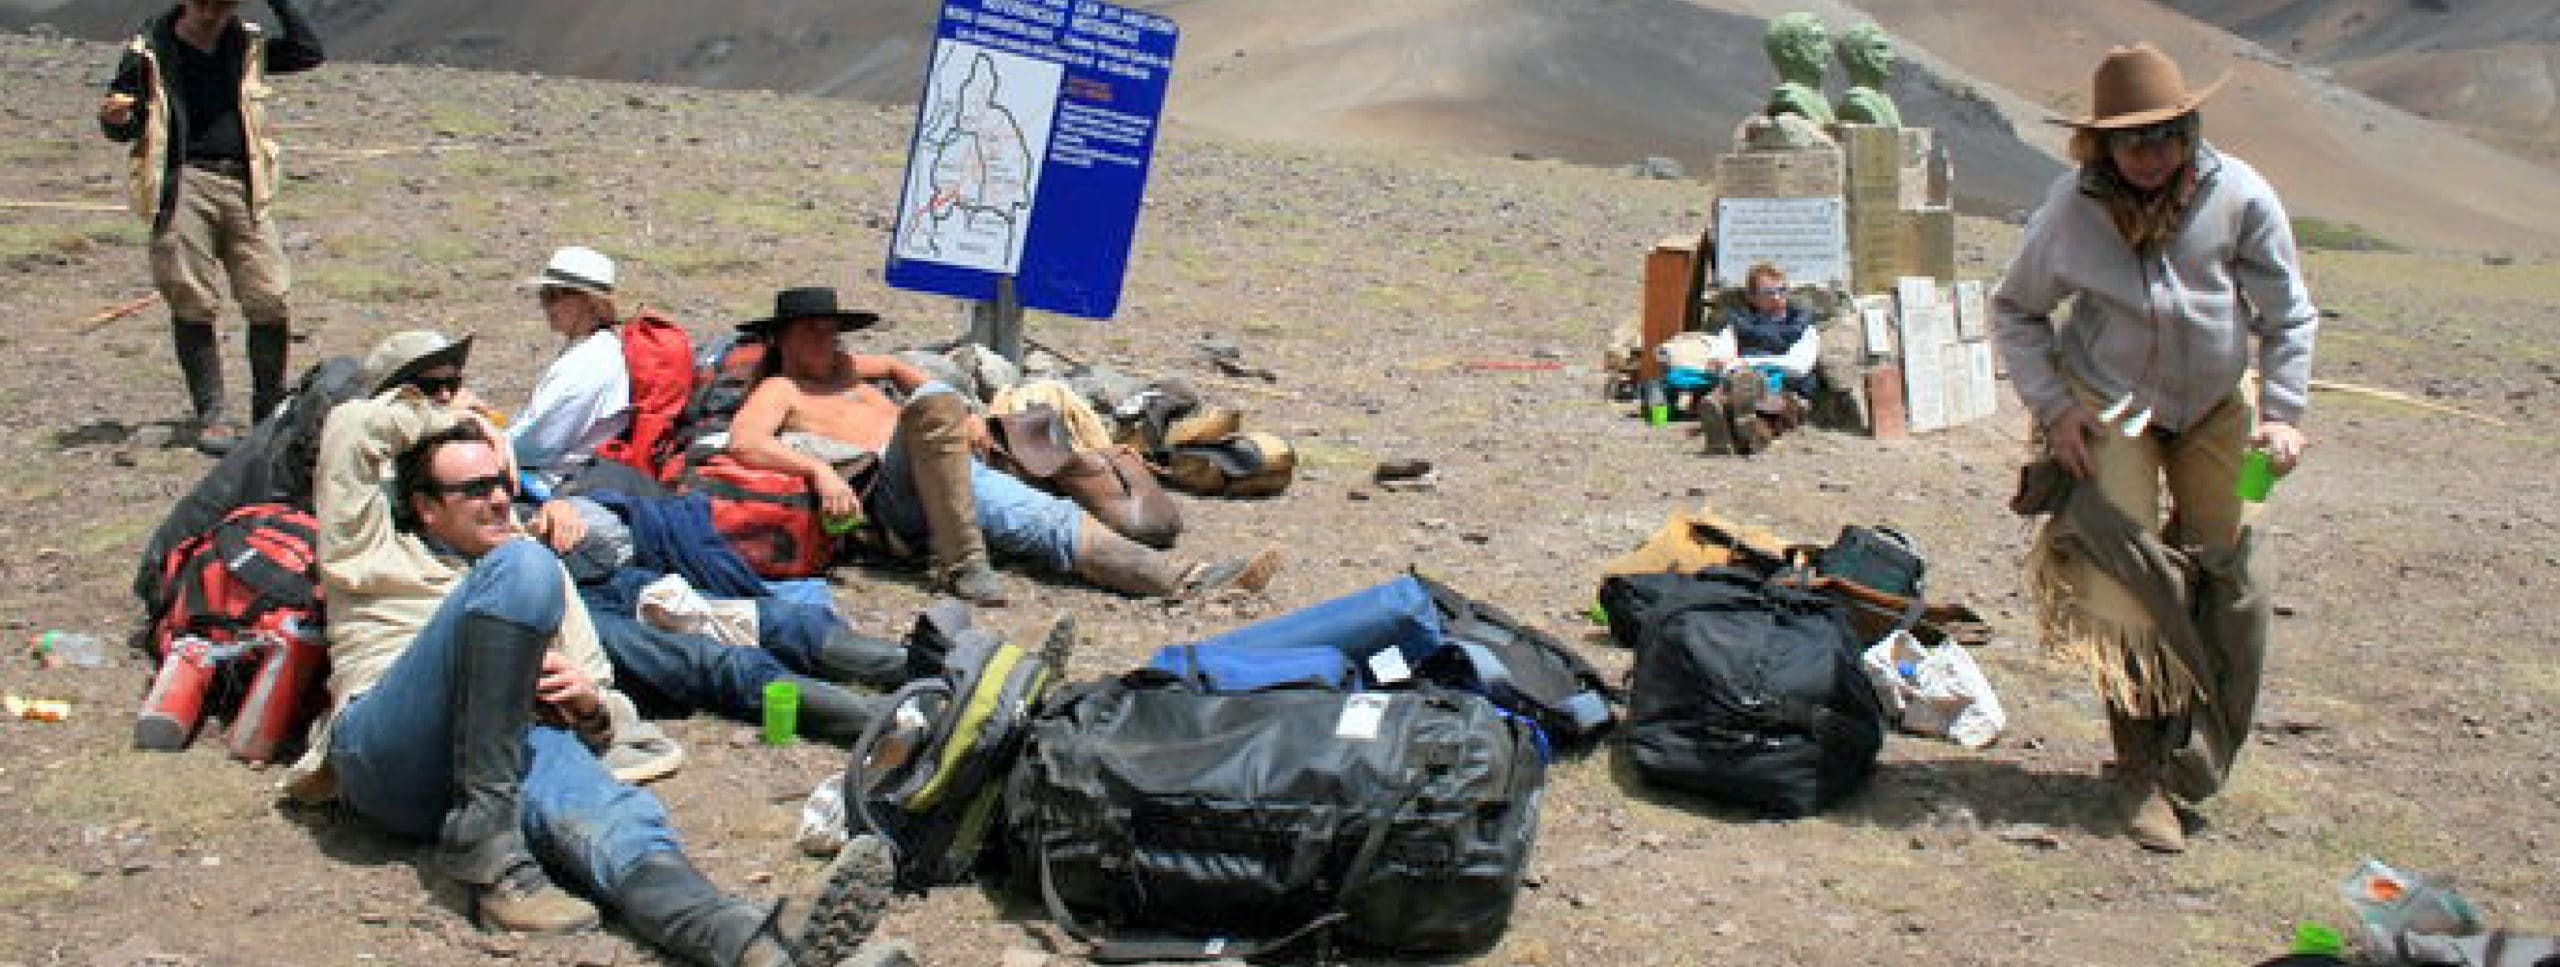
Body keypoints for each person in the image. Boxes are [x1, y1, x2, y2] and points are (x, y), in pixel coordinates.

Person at [290, 329, 892, 964]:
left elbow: (607, 698)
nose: (498, 497)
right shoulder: (373, 546)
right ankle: (488, 853)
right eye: (474, 490)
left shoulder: (536, 566)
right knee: (523, 568)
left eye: (501, 482)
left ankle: (746, 943)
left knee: (617, 819)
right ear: (425, 506)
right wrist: (461, 417)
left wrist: (586, 705)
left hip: (505, 749)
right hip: (394, 753)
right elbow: (353, 425)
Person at [1992, 42, 2316, 854]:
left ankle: (2197, 754)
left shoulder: (2239, 194)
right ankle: (2138, 768)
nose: (2151, 154)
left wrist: (2282, 412)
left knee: (2229, 568)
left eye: (2166, 134)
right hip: (2109, 407)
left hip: (2217, 407)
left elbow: (2287, 313)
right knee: (2123, 576)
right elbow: (2017, 311)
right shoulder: (2070, 209)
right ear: (2100, 144)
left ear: (2190, 127)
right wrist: (2056, 408)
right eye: (2131, 140)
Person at [725, 287, 1281, 605]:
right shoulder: (781, 388)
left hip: (949, 475)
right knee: (937, 414)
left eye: (831, 329)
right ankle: (962, 563)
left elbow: (896, 363)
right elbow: (744, 441)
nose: (826, 340)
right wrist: (819, 473)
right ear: (780, 340)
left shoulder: (848, 368)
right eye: (810, 332)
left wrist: (952, 403)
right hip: (892, 502)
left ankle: (1185, 579)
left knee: (1047, 518)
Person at [97, 0, 324, 456]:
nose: (213, 13)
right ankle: (212, 414)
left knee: (269, 293)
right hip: (184, 181)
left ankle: (268, 406)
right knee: (191, 295)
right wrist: (115, 119)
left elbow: (307, 51)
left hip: (244, 180)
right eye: (206, 5)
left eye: (222, 5)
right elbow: (126, 123)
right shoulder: (150, 51)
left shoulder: (247, 45)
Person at [510, 246, 632, 489]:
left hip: (552, 487)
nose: (545, 305)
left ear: (590, 302)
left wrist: (480, 432)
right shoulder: (587, 351)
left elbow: (535, 447)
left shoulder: (592, 362)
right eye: (544, 295)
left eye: (555, 295)